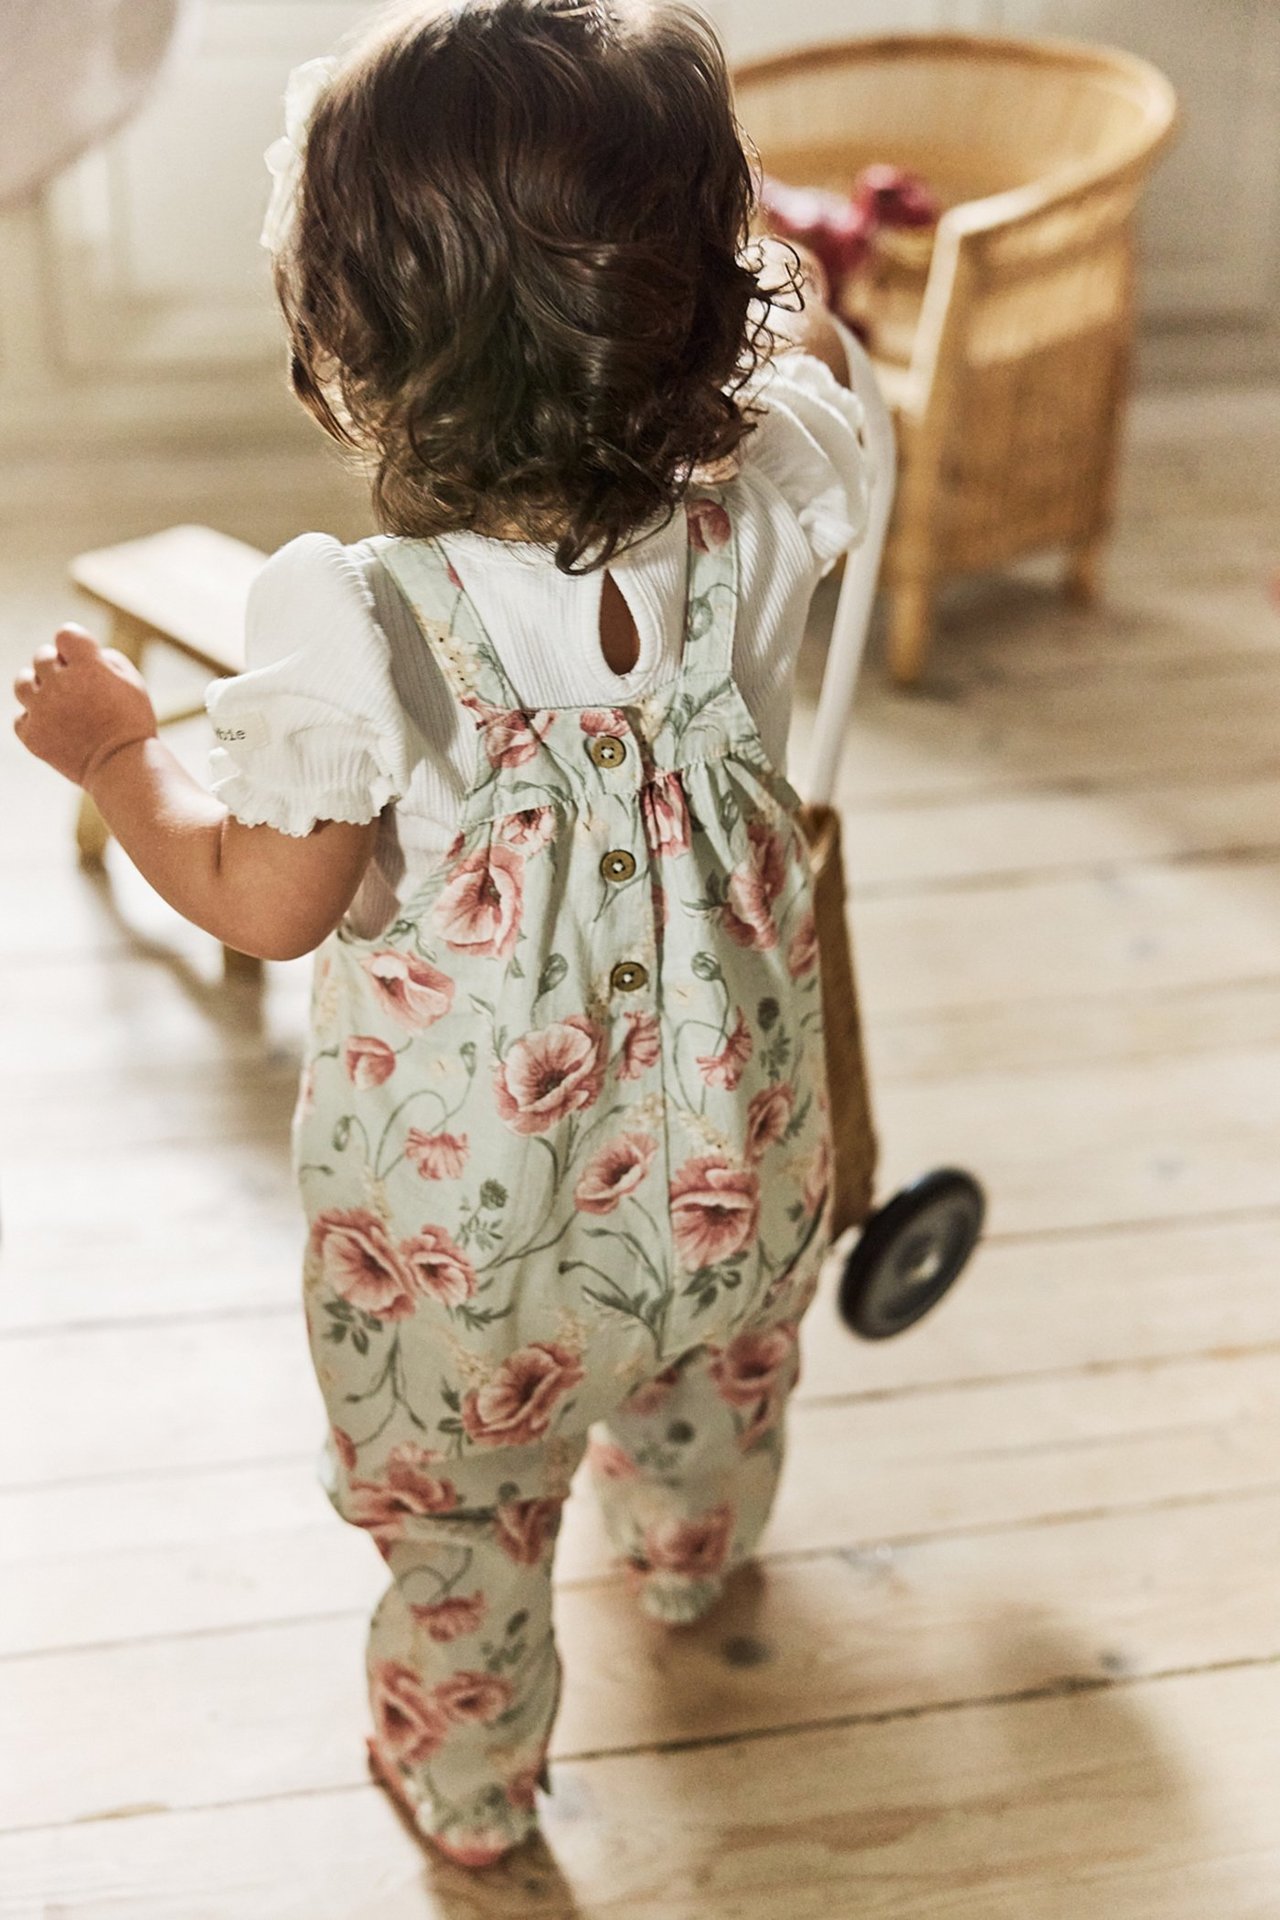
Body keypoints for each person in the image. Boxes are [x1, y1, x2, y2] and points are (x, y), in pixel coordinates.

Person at [13, 0, 872, 1869]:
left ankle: (472, 1794)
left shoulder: (353, 615)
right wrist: (736, 284)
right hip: (731, 1165)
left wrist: (120, 760)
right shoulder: (767, 502)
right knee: (718, 1367)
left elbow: (269, 897)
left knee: (468, 1519)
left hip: (477, 1248)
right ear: (692, 312)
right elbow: (822, 356)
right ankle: (693, 1547)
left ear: (351, 344)